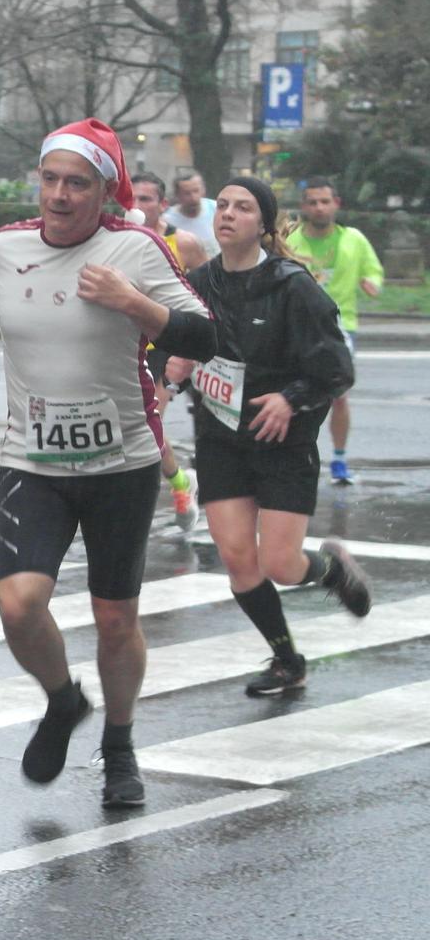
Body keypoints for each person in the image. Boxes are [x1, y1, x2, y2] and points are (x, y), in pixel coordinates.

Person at [0, 118, 217, 810]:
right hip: (31, 461)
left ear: (104, 191)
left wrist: (133, 302)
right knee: (17, 603)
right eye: (51, 179)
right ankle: (62, 698)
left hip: (121, 464)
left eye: (78, 183)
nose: (60, 195)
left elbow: (203, 334)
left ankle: (120, 745)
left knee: (115, 620)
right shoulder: (2, 248)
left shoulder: (136, 248)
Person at [167, 178, 369, 697]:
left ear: (265, 224)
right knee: (238, 558)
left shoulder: (291, 286)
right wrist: (172, 365)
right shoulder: (196, 284)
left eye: (243, 207)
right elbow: (168, 340)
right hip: (221, 439)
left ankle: (332, 569)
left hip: (282, 443)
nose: (228, 214)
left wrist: (289, 399)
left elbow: (336, 370)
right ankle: (286, 659)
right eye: (225, 205)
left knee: (280, 564)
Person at [285, 176, 384, 486]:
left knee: (338, 396)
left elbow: (373, 271)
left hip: (340, 327)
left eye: (324, 201)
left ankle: (339, 459)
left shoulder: (353, 239)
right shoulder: (291, 239)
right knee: (289, 393)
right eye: (312, 202)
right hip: (294, 325)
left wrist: (373, 284)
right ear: (304, 206)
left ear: (336, 204)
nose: (319, 207)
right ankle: (289, 456)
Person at [131, 171, 208, 532]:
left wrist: (196, 344)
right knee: (132, 427)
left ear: (163, 205)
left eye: (145, 199)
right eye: (130, 198)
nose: (136, 206)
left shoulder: (185, 243)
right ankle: (180, 481)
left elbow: (210, 292)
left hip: (168, 346)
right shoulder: (115, 239)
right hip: (126, 345)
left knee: (150, 423)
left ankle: (179, 488)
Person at [164, 167, 222, 260]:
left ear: (203, 190)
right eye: (187, 193)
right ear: (177, 195)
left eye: (196, 191)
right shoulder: (168, 220)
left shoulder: (217, 210)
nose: (193, 198)